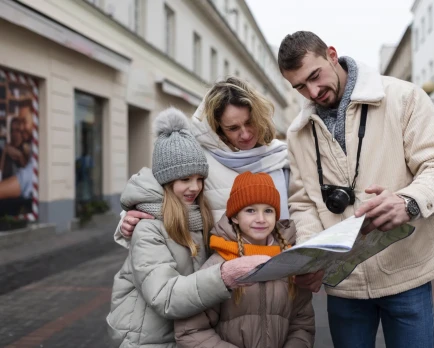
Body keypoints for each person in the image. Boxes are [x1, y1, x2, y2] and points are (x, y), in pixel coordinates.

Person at [277, 31, 434, 347]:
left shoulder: (403, 97)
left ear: (332, 55)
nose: (312, 91)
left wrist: (409, 202)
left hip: (407, 271)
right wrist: (310, 256)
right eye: (299, 87)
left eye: (315, 76)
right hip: (344, 284)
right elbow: (304, 203)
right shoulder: (297, 134)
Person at [106, 108, 270, 348]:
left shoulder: (198, 216)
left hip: (185, 334)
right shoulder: (148, 227)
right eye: (185, 180)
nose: (195, 187)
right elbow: (164, 296)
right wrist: (224, 276)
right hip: (147, 337)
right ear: (167, 181)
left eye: (199, 178)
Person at [117, 77, 289, 243]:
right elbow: (156, 189)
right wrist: (128, 218)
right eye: (233, 128)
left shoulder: (281, 155)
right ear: (218, 129)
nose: (245, 134)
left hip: (281, 259)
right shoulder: (199, 157)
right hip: (220, 264)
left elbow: (301, 207)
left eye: (249, 122)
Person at [174, 172, 315, 348]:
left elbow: (302, 324)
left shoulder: (289, 262)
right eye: (250, 210)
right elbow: (190, 331)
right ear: (234, 217)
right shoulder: (219, 265)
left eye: (268, 211)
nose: (261, 219)